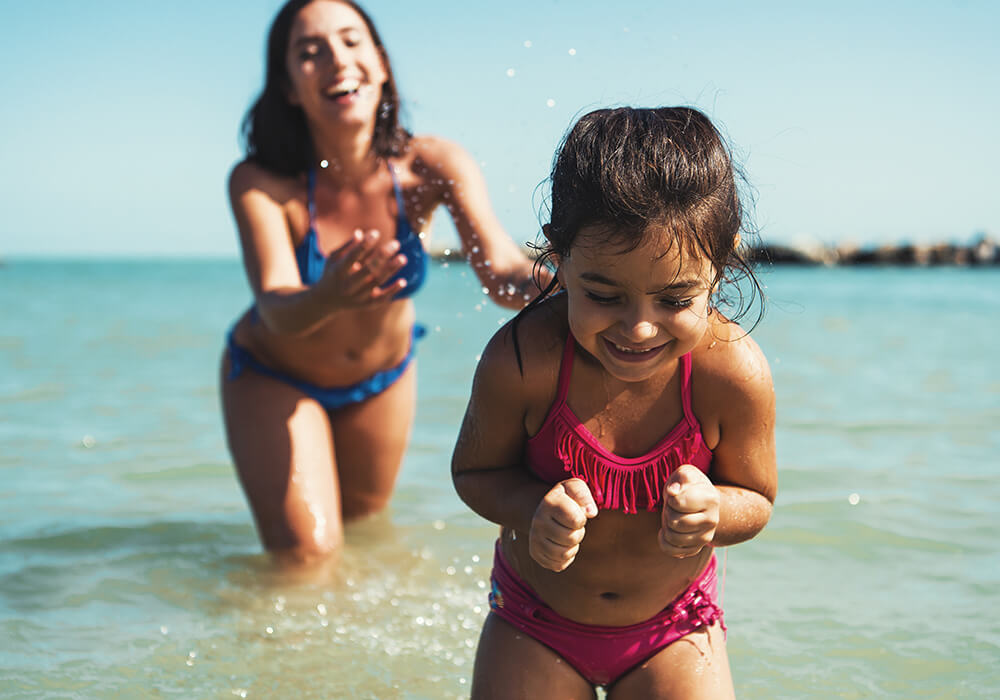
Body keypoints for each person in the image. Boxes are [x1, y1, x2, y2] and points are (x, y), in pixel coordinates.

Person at [452, 106, 778, 699]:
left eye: (675, 300)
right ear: (560, 255)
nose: (640, 328)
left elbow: (756, 498)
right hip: (534, 622)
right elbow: (474, 473)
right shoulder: (524, 361)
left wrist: (715, 510)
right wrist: (533, 509)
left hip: (676, 629)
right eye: (604, 294)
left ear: (722, 264)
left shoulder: (731, 372)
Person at [222, 0, 544, 566]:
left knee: (365, 536)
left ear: (381, 63)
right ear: (290, 88)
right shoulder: (261, 183)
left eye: (351, 41)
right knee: (306, 554)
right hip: (273, 376)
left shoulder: (432, 166)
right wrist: (328, 296)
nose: (336, 60)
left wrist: (574, 278)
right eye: (309, 52)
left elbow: (502, 275)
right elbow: (275, 307)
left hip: (382, 377)